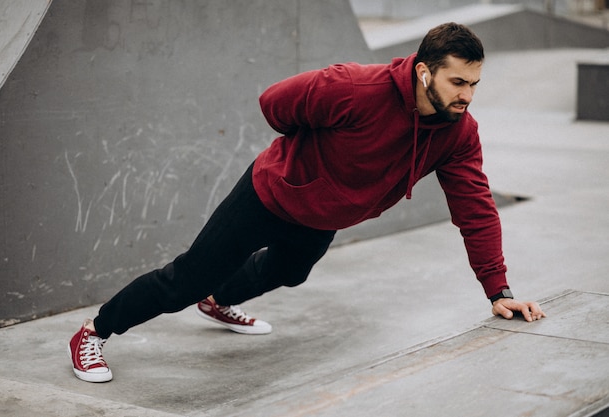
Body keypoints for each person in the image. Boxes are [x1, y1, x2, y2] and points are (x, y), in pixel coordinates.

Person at [68, 22, 546, 383]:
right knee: (186, 278)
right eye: (457, 83)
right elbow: (274, 102)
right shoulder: (356, 88)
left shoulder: (459, 135)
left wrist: (498, 292)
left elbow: (475, 208)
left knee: (290, 272)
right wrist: (304, 161)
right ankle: (94, 331)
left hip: (324, 217)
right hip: (270, 194)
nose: (467, 96)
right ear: (424, 73)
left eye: (474, 84)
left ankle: (217, 301)